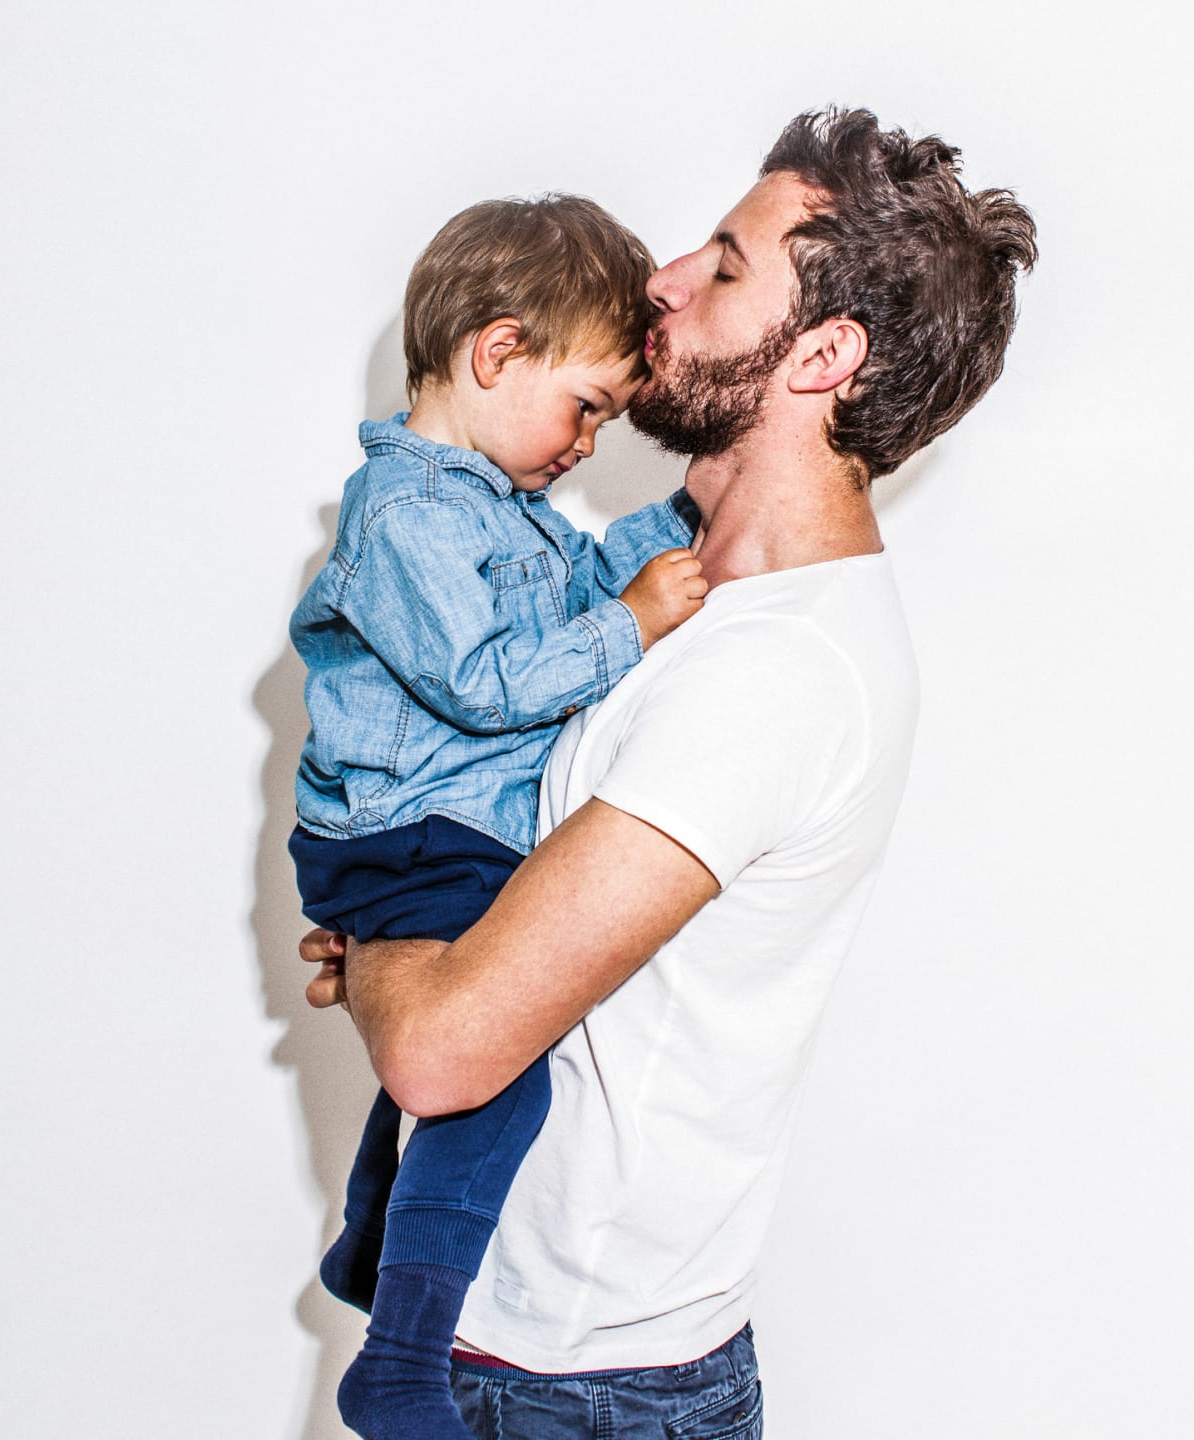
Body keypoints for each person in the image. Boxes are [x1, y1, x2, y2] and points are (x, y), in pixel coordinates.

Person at [303, 107, 1038, 1440]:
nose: (665, 284)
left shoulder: (774, 671)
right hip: (533, 1350)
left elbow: (441, 1048)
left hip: (571, 1390)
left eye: (724, 260)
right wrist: (412, 924)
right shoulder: (687, 599)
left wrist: (380, 955)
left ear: (822, 353)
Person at [288, 194, 710, 1440]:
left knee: (454, 1068)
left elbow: (581, 577)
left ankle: (375, 1242)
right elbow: (486, 685)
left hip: (431, 836)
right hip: (411, 835)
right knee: (501, 1079)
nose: (587, 445)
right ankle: (403, 1363)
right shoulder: (408, 516)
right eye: (585, 407)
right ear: (496, 352)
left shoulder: (495, 507)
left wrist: (687, 521)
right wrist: (636, 621)